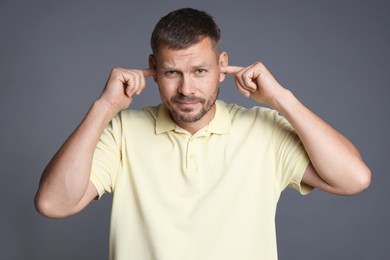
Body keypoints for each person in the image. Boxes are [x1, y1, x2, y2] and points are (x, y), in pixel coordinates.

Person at [35, 7, 371, 260]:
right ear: (152, 69)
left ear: (222, 66)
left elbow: (353, 179)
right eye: (171, 72)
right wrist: (104, 107)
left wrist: (282, 100)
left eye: (199, 71)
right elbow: (52, 204)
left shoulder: (263, 130)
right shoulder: (122, 132)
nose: (186, 88)